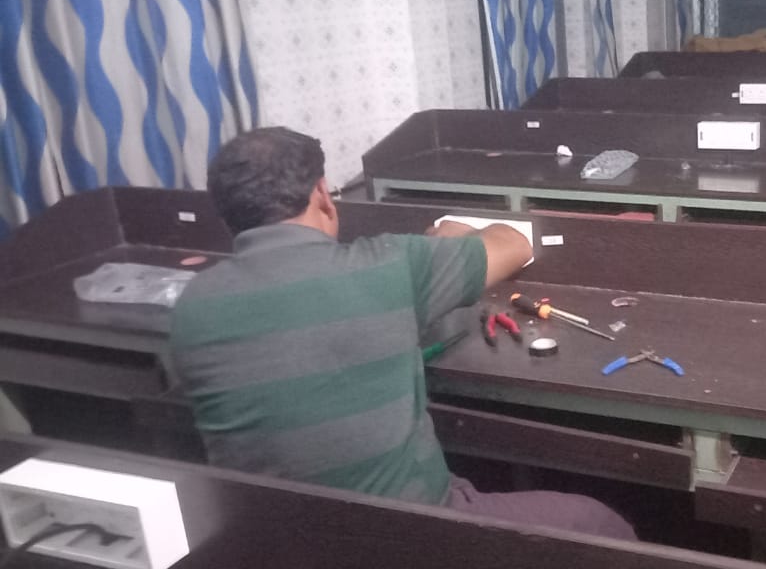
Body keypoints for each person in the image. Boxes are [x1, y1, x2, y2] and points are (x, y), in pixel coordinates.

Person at [169, 127, 634, 540]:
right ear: (323, 195)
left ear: (228, 217)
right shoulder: (387, 266)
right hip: (408, 535)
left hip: (266, 541)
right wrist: (447, 236)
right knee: (598, 523)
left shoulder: (193, 305)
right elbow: (512, 244)